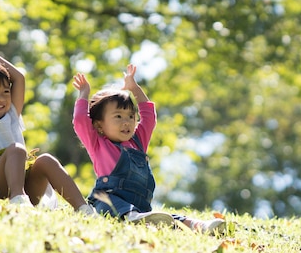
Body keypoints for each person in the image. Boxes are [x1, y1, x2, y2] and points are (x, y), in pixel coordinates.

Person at [72, 64, 225, 233]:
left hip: (140, 206)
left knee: (169, 218)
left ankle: (199, 226)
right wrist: (84, 93)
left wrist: (134, 88)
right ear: (99, 125)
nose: (126, 122)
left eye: (131, 116)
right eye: (118, 116)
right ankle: (132, 218)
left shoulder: (137, 141)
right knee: (116, 204)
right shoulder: (98, 144)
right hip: (108, 200)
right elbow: (80, 120)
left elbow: (149, 116)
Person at [0, 34, 94, 215]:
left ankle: (83, 208)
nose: (0, 97)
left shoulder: (11, 114)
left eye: (5, 91)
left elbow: (18, 77)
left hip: (23, 188)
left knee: (46, 160)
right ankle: (17, 199)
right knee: (17, 150)